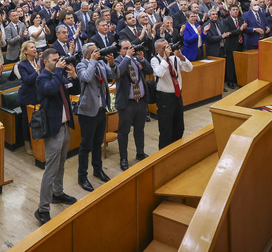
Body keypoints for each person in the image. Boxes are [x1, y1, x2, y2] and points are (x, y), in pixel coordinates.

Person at [34, 48, 80, 226]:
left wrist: (74, 75)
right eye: (54, 60)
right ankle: (42, 209)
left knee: (61, 163)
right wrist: (60, 71)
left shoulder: (58, 74)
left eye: (58, 59)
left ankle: (57, 193)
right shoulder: (42, 78)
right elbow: (52, 90)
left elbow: (73, 89)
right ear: (46, 62)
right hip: (53, 129)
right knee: (51, 169)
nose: (58, 62)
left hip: (65, 126)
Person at [75, 43, 114, 192]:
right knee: (86, 146)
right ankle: (82, 176)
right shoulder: (81, 65)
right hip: (87, 112)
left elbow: (112, 76)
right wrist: (92, 61)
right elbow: (86, 77)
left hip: (101, 109)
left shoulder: (100, 63)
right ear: (87, 55)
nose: (97, 53)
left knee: (98, 143)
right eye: (94, 52)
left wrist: (111, 64)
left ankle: (97, 170)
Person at [113, 40, 153, 171]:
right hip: (126, 104)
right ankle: (123, 158)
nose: (129, 50)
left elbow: (149, 70)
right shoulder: (118, 61)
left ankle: (140, 152)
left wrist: (142, 58)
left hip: (140, 101)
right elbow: (119, 72)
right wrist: (128, 57)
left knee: (139, 129)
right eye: (125, 48)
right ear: (120, 50)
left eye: (130, 48)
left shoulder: (136, 59)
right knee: (124, 132)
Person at [150, 39, 193, 150]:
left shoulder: (174, 58)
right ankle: (163, 155)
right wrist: (165, 58)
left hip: (177, 96)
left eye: (168, 46)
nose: (167, 49)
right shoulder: (154, 60)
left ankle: (175, 151)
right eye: (164, 48)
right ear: (157, 50)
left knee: (179, 127)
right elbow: (159, 73)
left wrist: (181, 57)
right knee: (166, 130)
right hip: (164, 98)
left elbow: (189, 69)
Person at [17, 41, 40, 155]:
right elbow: (28, 80)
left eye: (35, 47)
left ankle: (38, 141)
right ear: (25, 51)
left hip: (38, 95)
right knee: (27, 120)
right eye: (31, 47)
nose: (34, 49)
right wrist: (38, 70)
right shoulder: (22, 64)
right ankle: (27, 144)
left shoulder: (37, 61)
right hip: (26, 96)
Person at [221, 4, 246, 89]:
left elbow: (245, 30)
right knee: (230, 65)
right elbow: (228, 33)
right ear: (230, 11)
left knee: (238, 64)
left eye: (237, 10)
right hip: (231, 45)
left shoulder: (241, 19)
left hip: (240, 44)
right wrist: (240, 30)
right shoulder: (226, 21)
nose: (235, 11)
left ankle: (236, 79)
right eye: (234, 10)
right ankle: (230, 81)